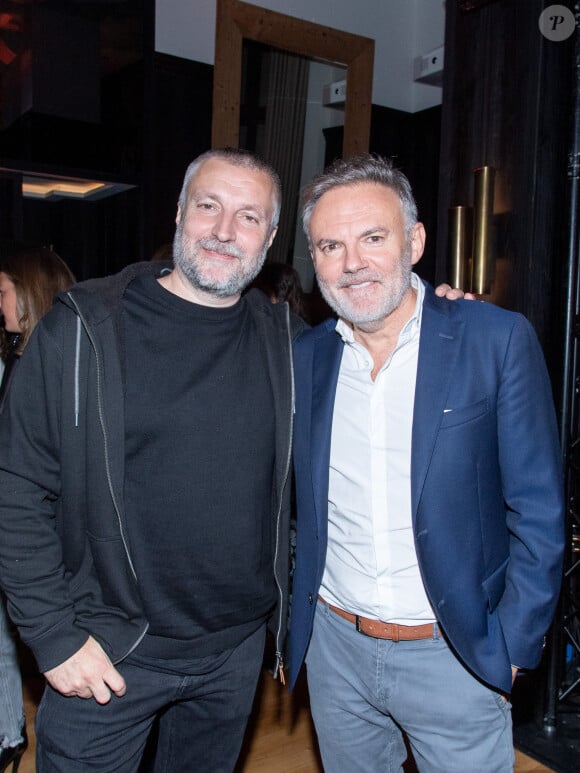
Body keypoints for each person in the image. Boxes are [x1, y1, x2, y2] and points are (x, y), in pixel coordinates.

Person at [0, 148, 464, 773]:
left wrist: (434, 311)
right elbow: (15, 488)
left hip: (235, 654)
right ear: (178, 214)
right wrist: (53, 636)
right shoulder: (82, 330)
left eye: (248, 217)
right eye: (208, 207)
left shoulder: (292, 345)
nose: (223, 230)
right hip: (107, 648)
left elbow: (381, 345)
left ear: (270, 239)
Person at [287, 154, 565, 772]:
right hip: (335, 652)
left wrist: (513, 644)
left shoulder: (495, 340)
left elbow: (539, 509)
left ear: (414, 241)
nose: (352, 263)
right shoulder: (306, 358)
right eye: (330, 245)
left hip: (455, 653)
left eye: (373, 238)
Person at [0, 244, 75, 772]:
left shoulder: (36, 371)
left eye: (3, 291)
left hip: (48, 546)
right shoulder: (28, 361)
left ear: (27, 297)